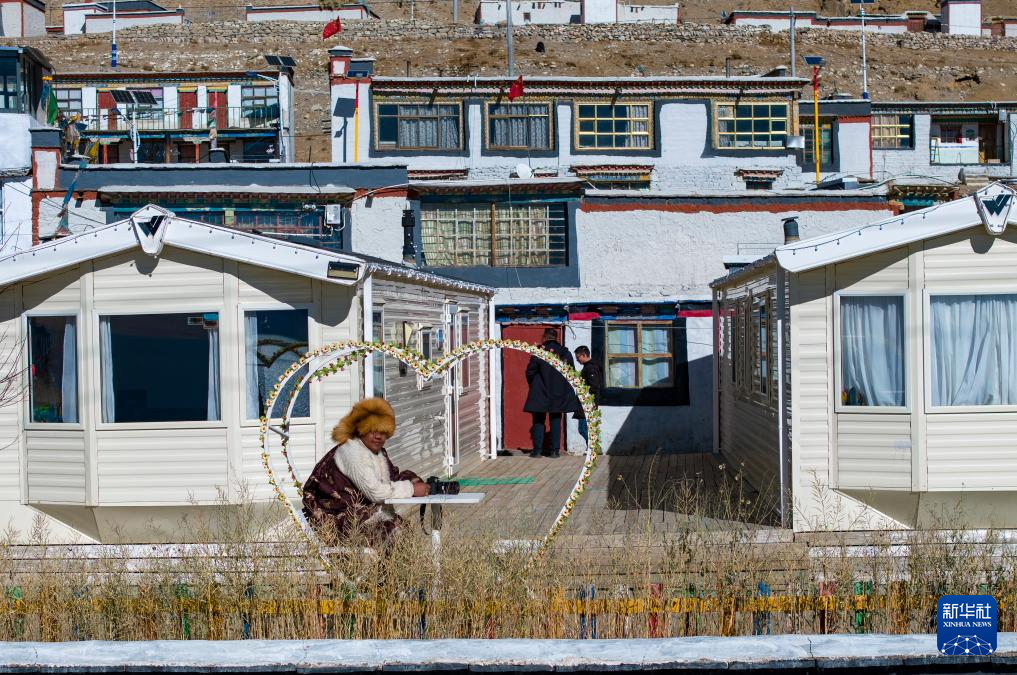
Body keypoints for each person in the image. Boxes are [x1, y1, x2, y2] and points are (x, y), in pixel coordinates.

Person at [302, 397, 428, 544]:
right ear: (360, 429)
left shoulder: (376, 452)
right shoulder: (351, 452)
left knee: (401, 530)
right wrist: (411, 489)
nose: (378, 436)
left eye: (383, 431)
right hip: (335, 522)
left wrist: (415, 481)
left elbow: (392, 478)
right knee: (392, 532)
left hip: (360, 517)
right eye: (372, 431)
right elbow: (375, 492)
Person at [523, 329, 580, 458]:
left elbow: (530, 372)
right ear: (556, 337)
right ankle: (555, 451)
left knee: (538, 421)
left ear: (544, 337)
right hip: (558, 393)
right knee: (555, 420)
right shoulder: (565, 353)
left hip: (540, 392)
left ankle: (537, 451)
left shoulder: (540, 352)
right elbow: (571, 373)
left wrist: (535, 386)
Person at [573, 345, 603, 445]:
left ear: (584, 355)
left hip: (588, 403)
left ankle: (594, 447)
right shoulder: (587, 367)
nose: (577, 360)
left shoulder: (591, 368)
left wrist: (583, 392)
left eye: (578, 357)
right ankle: (592, 448)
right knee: (586, 429)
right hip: (585, 403)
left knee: (583, 429)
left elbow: (594, 386)